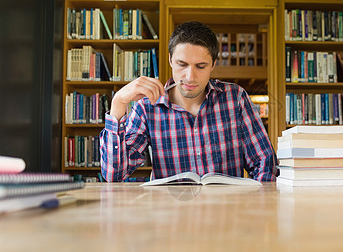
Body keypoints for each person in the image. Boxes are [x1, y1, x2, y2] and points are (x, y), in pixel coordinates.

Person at [100, 21, 277, 182]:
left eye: (201, 66)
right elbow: (114, 175)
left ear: (213, 65)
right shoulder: (147, 107)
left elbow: (264, 163)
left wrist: (257, 204)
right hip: (171, 212)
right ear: (170, 60)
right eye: (182, 64)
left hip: (227, 212)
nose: (190, 77)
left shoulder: (235, 98)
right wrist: (118, 104)